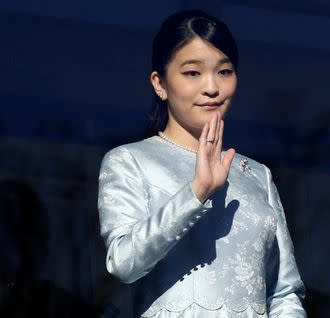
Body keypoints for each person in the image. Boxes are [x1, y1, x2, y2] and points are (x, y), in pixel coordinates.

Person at [97, 9, 306, 317]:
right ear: (160, 83)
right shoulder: (130, 161)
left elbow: (284, 292)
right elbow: (123, 263)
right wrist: (197, 191)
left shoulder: (257, 175)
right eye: (192, 73)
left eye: (224, 71)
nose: (212, 87)